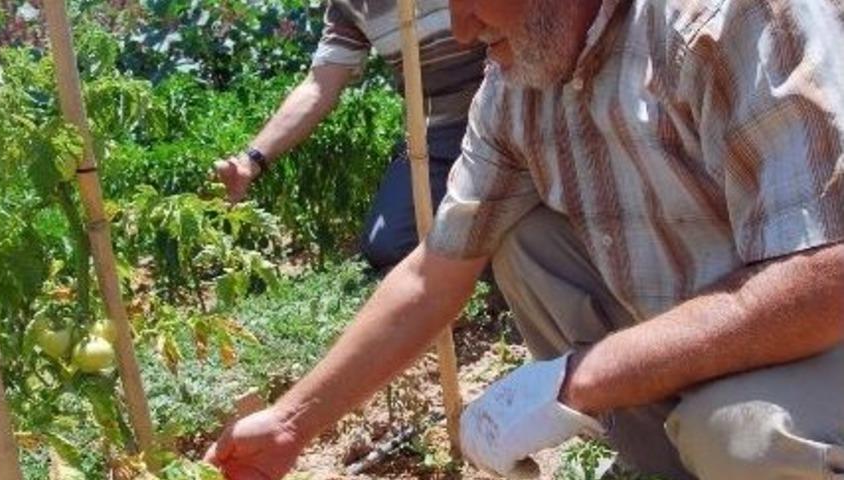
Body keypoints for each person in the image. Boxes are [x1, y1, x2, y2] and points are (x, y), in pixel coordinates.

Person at [205, 0, 844, 479]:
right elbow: (434, 274)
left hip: (825, 335)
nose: (459, 30)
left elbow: (827, 282)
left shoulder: (727, 20)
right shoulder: (516, 89)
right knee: (523, 240)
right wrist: (291, 423)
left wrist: (579, 381)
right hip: (723, 333)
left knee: (742, 438)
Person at [215, 0, 485, 270]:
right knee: (388, 246)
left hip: (508, 107)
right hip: (434, 134)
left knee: (510, 221)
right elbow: (320, 86)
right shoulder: (351, 5)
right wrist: (250, 161)